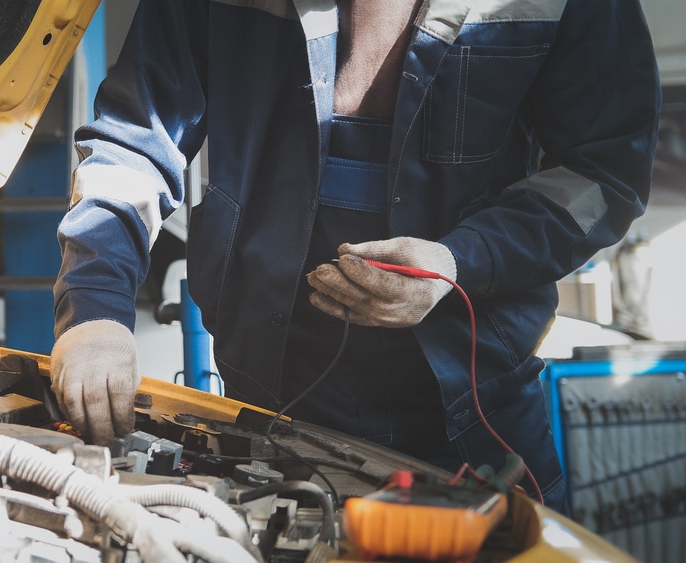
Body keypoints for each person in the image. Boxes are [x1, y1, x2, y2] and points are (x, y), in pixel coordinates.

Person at [49, 0, 661, 514]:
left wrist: (460, 262)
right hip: (263, 414)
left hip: (478, 421)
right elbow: (135, 142)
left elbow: (604, 170)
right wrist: (96, 312)